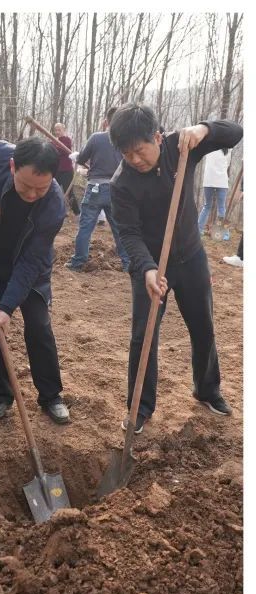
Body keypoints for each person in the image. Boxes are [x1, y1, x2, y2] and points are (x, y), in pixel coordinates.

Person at [109, 103, 242, 433]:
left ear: (156, 137)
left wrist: (204, 129)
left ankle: (207, 389)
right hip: (152, 267)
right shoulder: (121, 183)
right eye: (128, 155)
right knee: (144, 335)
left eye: (140, 151)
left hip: (191, 256)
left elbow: (236, 132)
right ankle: (140, 407)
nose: (135, 160)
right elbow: (128, 232)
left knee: (203, 325)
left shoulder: (180, 147)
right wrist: (147, 269)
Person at [0, 135, 70, 424]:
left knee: (39, 325)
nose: (32, 194)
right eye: (25, 186)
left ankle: (50, 396)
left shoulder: (54, 206)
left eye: (40, 188)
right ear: (11, 167)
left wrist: (7, 306)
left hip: (29, 265)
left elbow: (31, 262)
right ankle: (0, 394)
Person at [65, 107, 129, 272]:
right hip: (116, 189)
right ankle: (128, 263)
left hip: (95, 188)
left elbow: (82, 158)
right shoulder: (126, 141)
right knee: (118, 228)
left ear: (106, 122)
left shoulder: (96, 138)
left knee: (86, 226)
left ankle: (78, 262)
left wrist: (76, 157)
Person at [198, 148, 231, 237]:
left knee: (207, 206)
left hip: (209, 179)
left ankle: (199, 230)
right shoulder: (228, 149)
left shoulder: (211, 147)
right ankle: (224, 234)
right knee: (221, 208)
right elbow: (227, 164)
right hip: (222, 181)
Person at [51, 122, 81, 216]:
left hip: (66, 170)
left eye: (59, 130)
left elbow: (62, 150)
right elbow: (51, 149)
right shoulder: (54, 140)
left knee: (69, 192)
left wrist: (55, 145)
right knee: (53, 190)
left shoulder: (67, 140)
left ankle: (77, 212)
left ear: (64, 130)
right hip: (57, 170)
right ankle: (61, 210)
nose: (57, 132)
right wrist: (54, 145)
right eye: (56, 130)